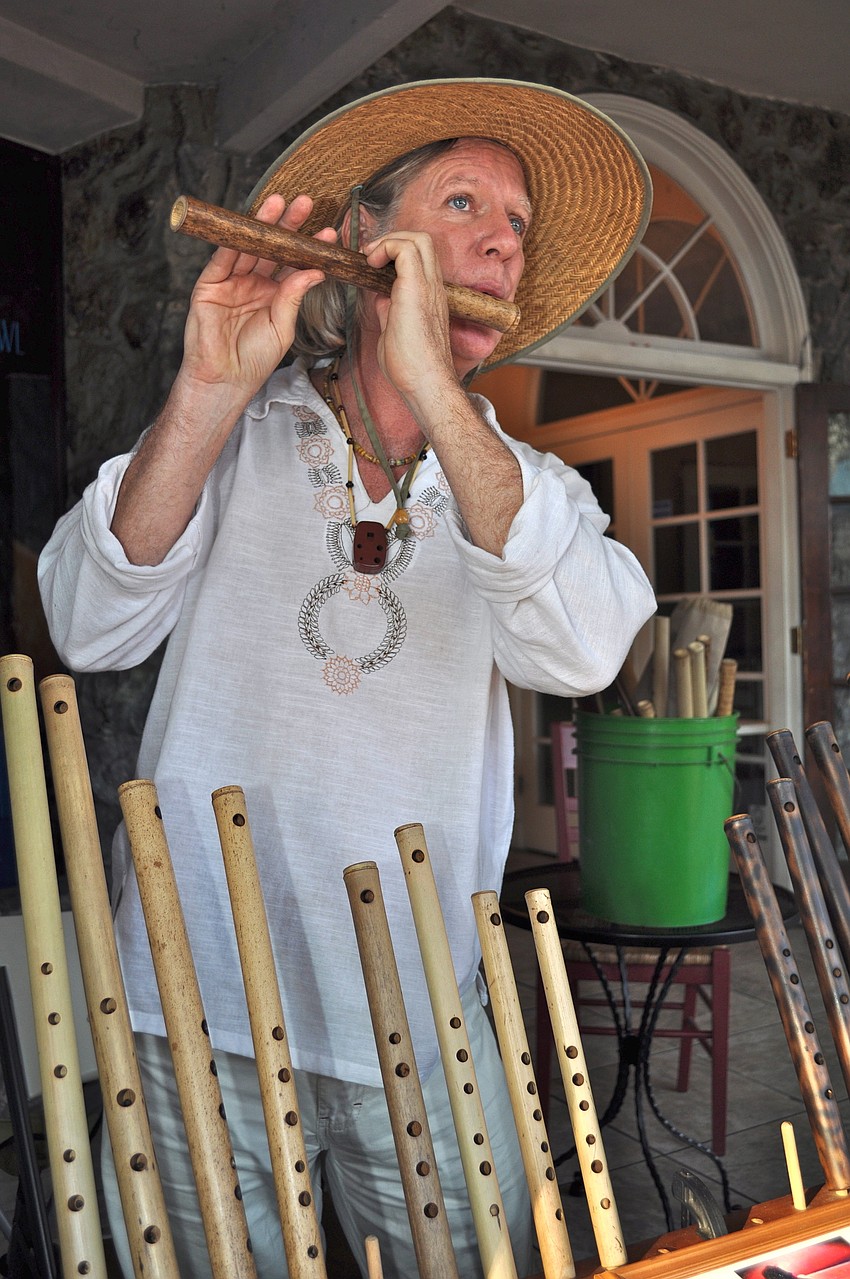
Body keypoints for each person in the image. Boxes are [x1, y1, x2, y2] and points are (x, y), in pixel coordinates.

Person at [39, 78, 656, 1278]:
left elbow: (582, 651)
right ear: (369, 240)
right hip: (192, 996)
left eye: (516, 225)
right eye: (464, 202)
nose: (501, 241)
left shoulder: (532, 492)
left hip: (424, 1014)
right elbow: (87, 625)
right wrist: (206, 391)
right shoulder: (232, 434)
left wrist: (436, 393)